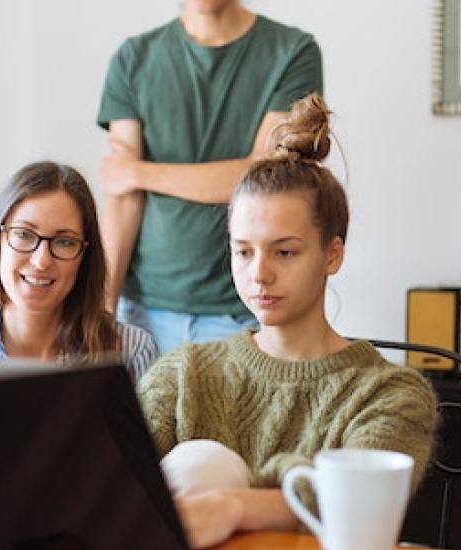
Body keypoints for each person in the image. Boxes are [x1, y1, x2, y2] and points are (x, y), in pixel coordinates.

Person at [136, 95, 438, 549]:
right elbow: (111, 488)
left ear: (332, 254)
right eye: (244, 251)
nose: (259, 273)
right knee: (201, 462)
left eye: (285, 251)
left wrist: (232, 505)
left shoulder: (390, 393)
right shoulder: (182, 375)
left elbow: (359, 506)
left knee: (207, 464)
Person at [97, 0, 323, 354]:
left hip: (244, 310)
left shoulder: (293, 52)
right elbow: (122, 194)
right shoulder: (133, 58)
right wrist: (103, 312)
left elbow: (263, 179)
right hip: (142, 311)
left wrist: (139, 172)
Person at [0, 162, 156, 380]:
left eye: (65, 242)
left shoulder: (131, 352)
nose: (41, 261)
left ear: (85, 257)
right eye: (24, 235)